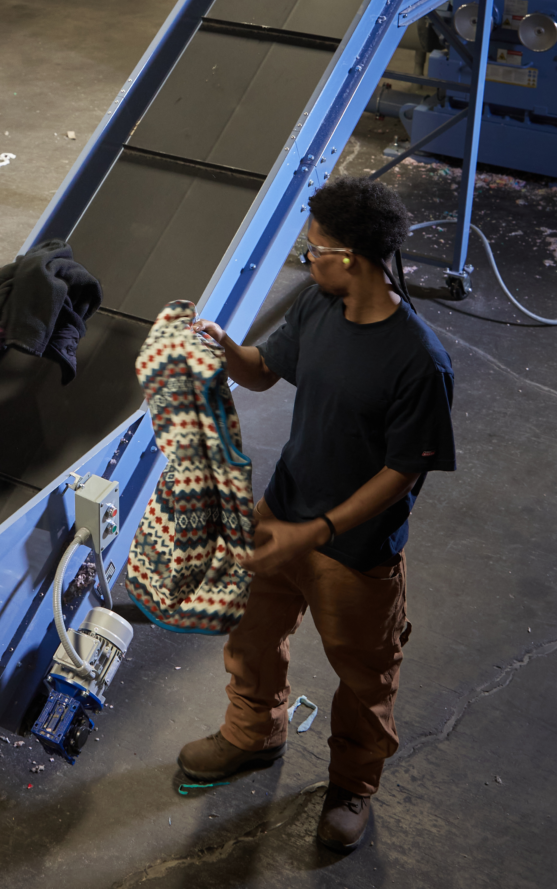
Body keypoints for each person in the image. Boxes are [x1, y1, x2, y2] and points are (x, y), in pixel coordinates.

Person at [179, 177, 455, 853]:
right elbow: (265, 370)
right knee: (251, 632)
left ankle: (352, 785)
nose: (307, 261)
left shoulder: (418, 361)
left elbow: (403, 470)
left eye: (314, 252)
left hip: (355, 549)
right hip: (287, 505)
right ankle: (253, 732)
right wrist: (221, 347)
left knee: (364, 676)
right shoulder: (318, 305)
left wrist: (321, 531)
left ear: (352, 260)